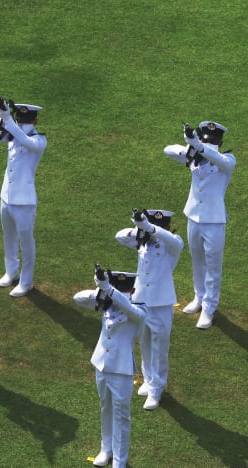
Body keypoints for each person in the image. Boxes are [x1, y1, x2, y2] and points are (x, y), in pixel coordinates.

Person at [163, 122, 235, 329]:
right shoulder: (194, 155)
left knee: (213, 266)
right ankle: (199, 297)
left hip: (214, 221)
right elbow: (167, 150)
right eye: (206, 139)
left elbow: (221, 161)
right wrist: (189, 148)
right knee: (197, 261)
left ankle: (209, 308)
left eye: (213, 141)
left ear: (220, 142)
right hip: (193, 217)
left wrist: (200, 147)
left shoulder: (227, 159)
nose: (210, 143)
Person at [74, 268, 145, 467]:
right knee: (105, 408)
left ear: (131, 291)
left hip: (121, 369)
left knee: (121, 414)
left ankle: (120, 461)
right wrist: (99, 291)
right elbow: (77, 298)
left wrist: (110, 291)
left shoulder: (140, 307)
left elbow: (135, 314)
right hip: (102, 364)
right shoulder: (106, 304)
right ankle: (106, 449)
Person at [115, 209, 183, 410]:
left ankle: (157, 389)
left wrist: (150, 228)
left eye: (160, 227)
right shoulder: (142, 242)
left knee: (160, 347)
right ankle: (148, 379)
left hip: (161, 303)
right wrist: (138, 230)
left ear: (166, 228)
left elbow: (176, 242)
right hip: (141, 300)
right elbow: (119, 236)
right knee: (144, 343)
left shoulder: (172, 243)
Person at [0, 94, 47, 297]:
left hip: (24, 200)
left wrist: (8, 119)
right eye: (20, 118)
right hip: (7, 196)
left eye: (26, 119)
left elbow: (24, 140)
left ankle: (26, 281)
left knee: (26, 242)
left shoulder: (38, 140)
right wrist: (2, 117)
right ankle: (11, 272)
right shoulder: (12, 133)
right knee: (8, 237)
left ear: (35, 121)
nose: (23, 122)